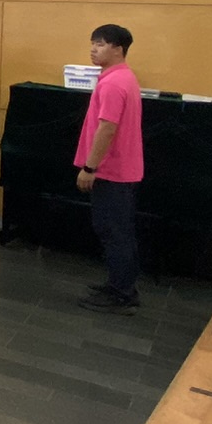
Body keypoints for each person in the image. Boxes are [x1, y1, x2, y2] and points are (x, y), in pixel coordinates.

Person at [74, 25, 146, 314]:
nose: (93, 49)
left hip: (112, 170)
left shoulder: (114, 83)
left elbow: (107, 128)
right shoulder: (121, 77)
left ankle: (122, 294)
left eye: (101, 44)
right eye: (93, 43)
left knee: (115, 233)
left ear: (118, 49)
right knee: (116, 230)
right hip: (119, 170)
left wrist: (90, 167)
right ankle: (119, 284)